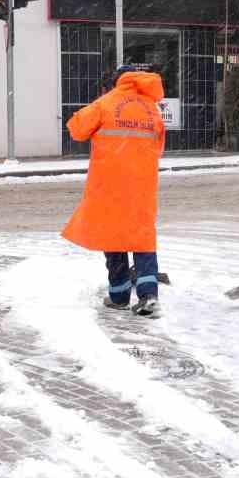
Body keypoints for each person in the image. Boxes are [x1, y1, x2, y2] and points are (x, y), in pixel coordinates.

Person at [63, 64, 166, 318]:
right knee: (142, 237)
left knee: (114, 236)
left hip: (110, 183)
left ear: (116, 82)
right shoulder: (151, 109)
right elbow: (159, 146)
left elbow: (76, 129)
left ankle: (119, 296)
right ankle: (148, 295)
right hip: (142, 184)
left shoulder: (107, 102)